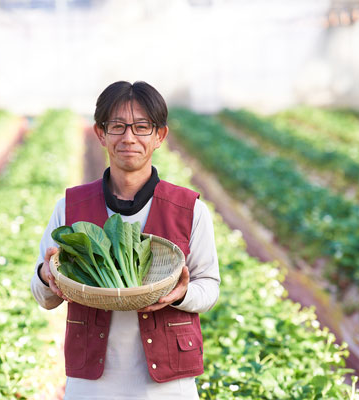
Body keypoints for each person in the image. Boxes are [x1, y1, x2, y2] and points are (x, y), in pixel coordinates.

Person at [31, 81, 220, 399]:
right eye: (117, 126)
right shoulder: (70, 206)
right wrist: (45, 277)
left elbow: (210, 287)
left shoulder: (190, 210)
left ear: (160, 136)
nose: (128, 137)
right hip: (92, 385)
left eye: (141, 127)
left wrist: (182, 293)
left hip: (168, 386)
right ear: (100, 133)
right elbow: (42, 293)